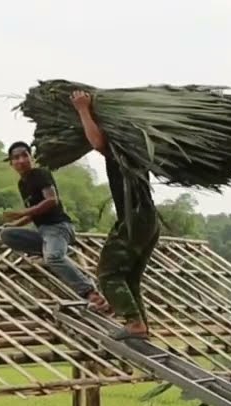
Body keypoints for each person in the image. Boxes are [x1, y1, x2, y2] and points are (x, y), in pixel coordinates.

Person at [71, 89, 161, 339]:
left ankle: (134, 323)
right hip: (148, 219)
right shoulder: (141, 147)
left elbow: (99, 143)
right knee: (129, 278)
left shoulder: (124, 144)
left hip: (135, 218)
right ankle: (140, 326)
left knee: (108, 274)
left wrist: (82, 109)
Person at [0, 141, 109, 313]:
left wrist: (21, 213)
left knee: (53, 258)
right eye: (16, 158)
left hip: (58, 227)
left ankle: (90, 292)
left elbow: (51, 201)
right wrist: (15, 223)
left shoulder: (40, 174)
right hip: (43, 232)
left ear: (31, 157)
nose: (20, 160)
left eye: (24, 155)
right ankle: (47, 250)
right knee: (7, 234)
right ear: (11, 163)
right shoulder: (23, 184)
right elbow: (33, 214)